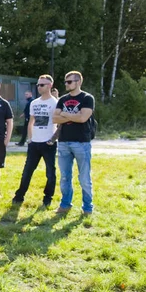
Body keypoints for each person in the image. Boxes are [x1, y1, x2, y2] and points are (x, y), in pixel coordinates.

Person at [52, 70, 95, 215]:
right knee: (65, 176)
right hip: (63, 142)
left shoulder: (87, 98)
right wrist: (72, 116)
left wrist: (64, 114)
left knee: (84, 178)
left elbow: (83, 118)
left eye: (69, 82)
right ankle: (65, 205)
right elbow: (55, 119)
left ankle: (87, 208)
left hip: (81, 142)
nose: (66, 84)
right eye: (65, 81)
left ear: (78, 82)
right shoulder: (62, 99)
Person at [12, 75, 58, 207]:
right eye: (38, 85)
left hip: (48, 143)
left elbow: (59, 124)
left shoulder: (55, 103)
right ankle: (19, 196)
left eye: (42, 85)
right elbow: (31, 122)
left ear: (49, 85)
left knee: (50, 172)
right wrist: (30, 139)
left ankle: (47, 198)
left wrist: (52, 139)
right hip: (34, 144)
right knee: (27, 171)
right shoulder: (34, 103)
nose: (39, 87)